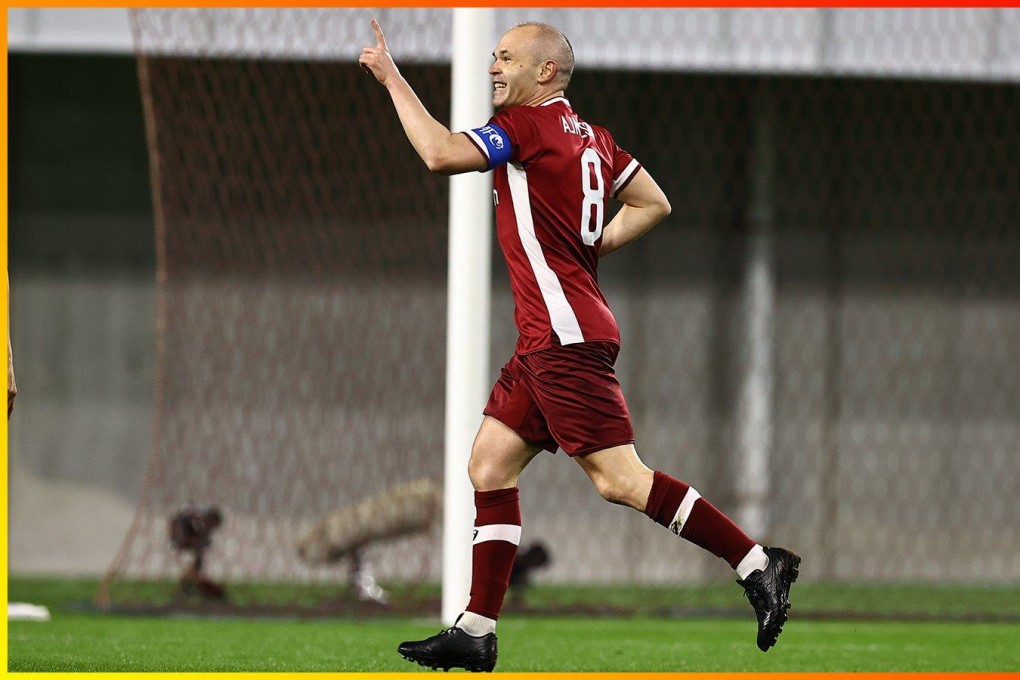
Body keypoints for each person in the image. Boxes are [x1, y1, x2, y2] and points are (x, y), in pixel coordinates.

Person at [359, 19, 800, 672]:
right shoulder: (594, 138)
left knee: (621, 481)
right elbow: (655, 202)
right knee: (489, 466)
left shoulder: (528, 130)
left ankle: (758, 563)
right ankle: (478, 630)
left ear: (546, 72)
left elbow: (439, 154)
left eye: (505, 57)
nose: (492, 67)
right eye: (492, 56)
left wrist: (392, 78)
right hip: (554, 334)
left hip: (563, 339)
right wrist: (591, 249)